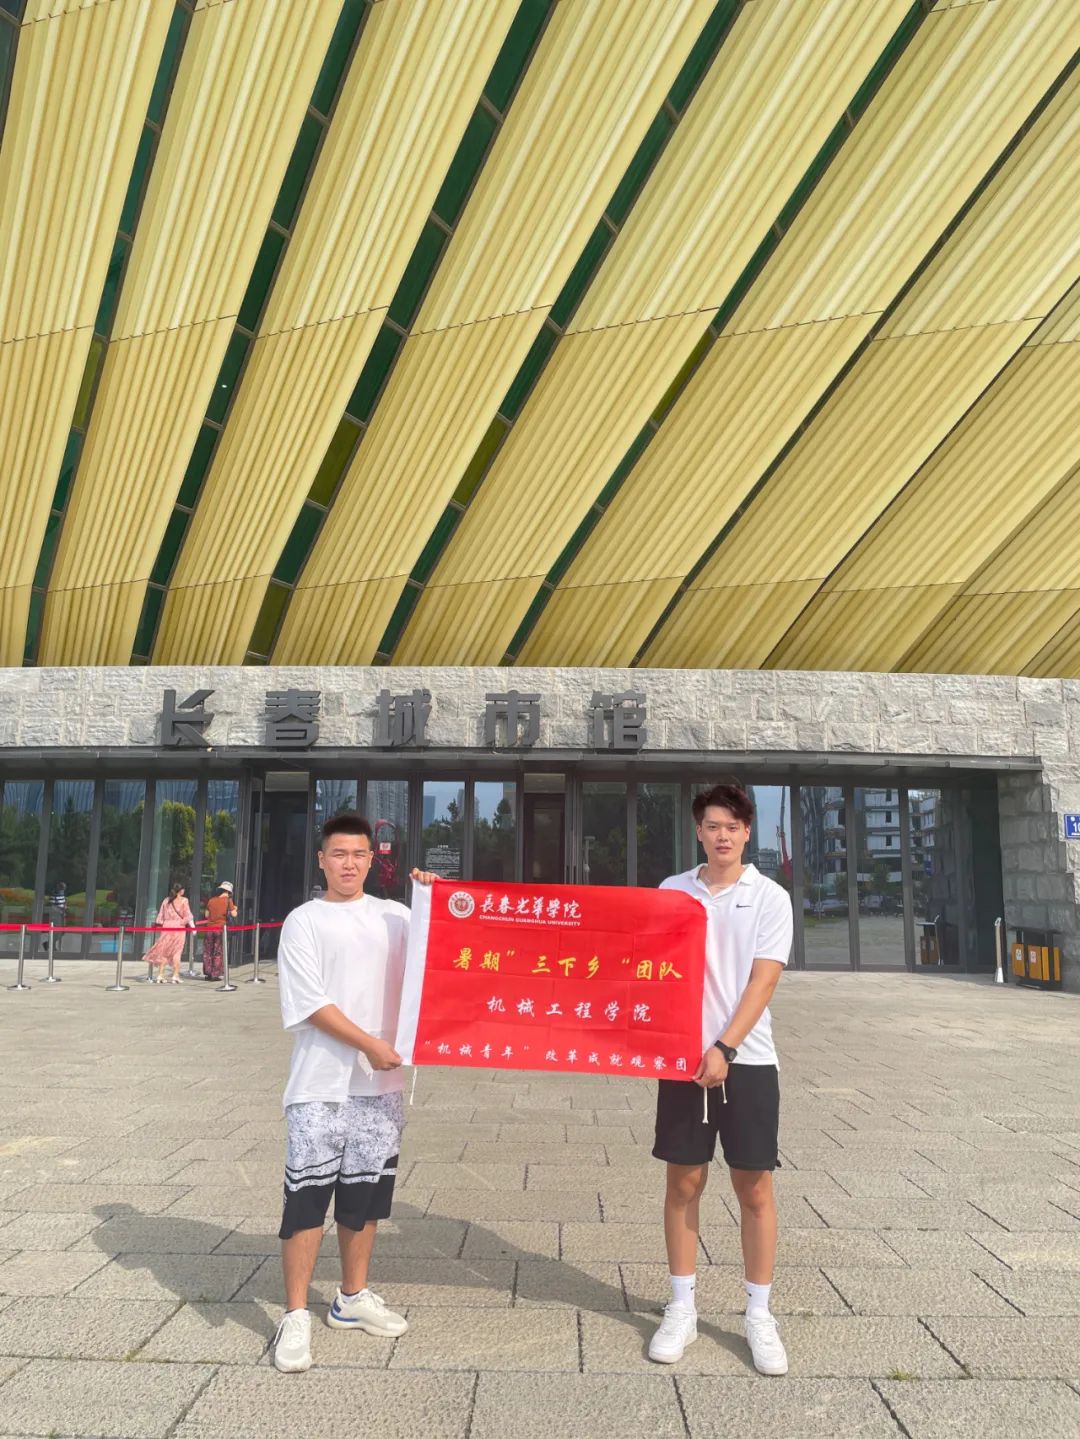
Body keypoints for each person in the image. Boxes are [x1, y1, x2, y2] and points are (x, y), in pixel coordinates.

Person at [272, 812, 436, 1374]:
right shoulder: (304, 921)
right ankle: (296, 1313)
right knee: (306, 1199)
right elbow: (310, 1004)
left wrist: (436, 898)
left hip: (379, 1088)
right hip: (319, 1086)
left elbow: (442, 953)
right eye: (338, 854)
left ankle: (351, 1297)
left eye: (359, 854)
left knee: (364, 1197)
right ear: (322, 860)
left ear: (373, 860)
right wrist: (369, 1043)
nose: (348, 863)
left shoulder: (396, 917)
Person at [648, 781, 793, 1376]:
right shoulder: (672, 891)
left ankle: (758, 1313)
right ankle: (681, 1306)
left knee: (753, 1186)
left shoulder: (770, 897)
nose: (723, 836)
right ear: (699, 832)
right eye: (713, 826)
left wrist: (725, 1046)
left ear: (747, 832)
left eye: (733, 826)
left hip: (747, 1059)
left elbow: (764, 980)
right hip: (682, 1061)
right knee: (684, 1182)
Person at [144, 883, 194, 985]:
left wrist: (166, 922)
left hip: (166, 926)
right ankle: (175, 975)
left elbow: (160, 917)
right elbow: (188, 915)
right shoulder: (184, 900)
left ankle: (160, 975)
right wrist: (183, 923)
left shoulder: (166, 900)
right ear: (181, 891)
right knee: (177, 951)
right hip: (178, 927)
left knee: (164, 951)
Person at [201, 880, 236, 981]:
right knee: (218, 951)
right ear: (229, 892)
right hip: (220, 929)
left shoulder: (211, 900)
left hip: (209, 929)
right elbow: (234, 914)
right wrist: (234, 909)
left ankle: (208, 973)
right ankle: (215, 974)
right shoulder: (228, 901)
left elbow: (206, 915)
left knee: (208, 951)